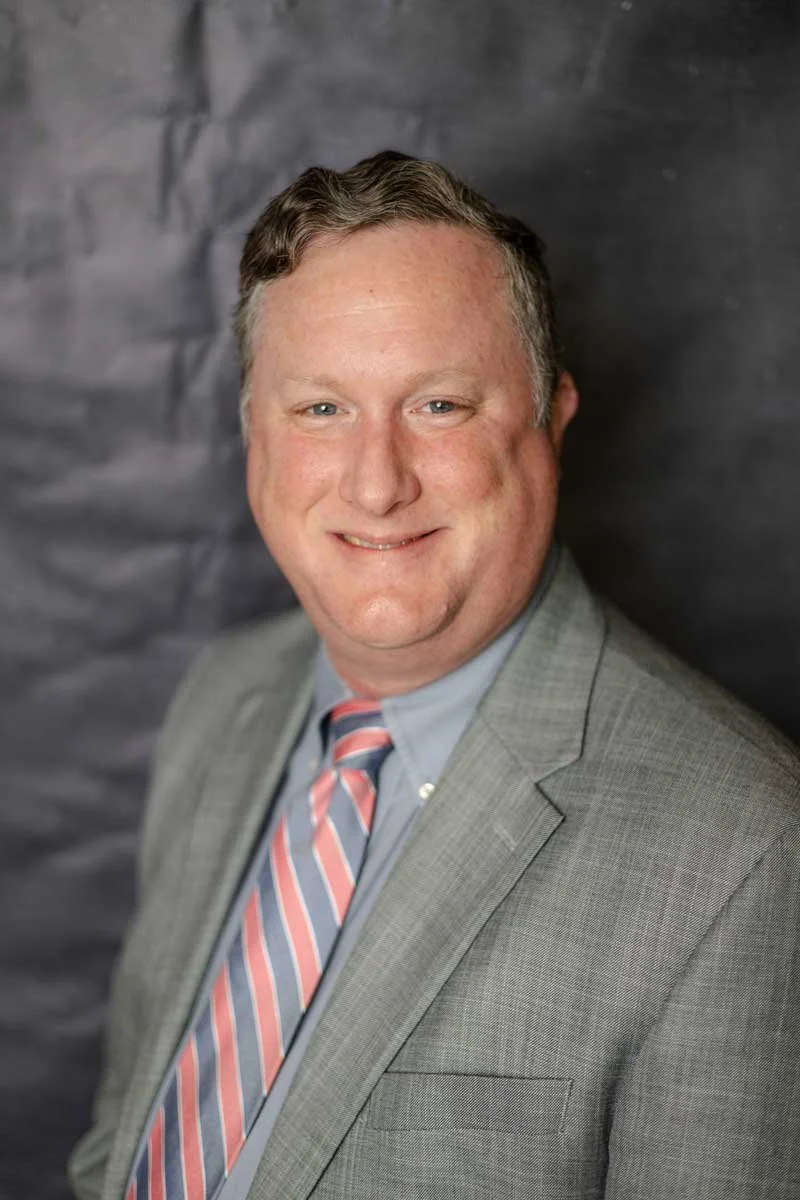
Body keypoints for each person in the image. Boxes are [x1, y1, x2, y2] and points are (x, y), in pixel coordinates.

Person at [69, 151, 800, 1200]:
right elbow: (121, 1148)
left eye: (439, 406)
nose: (376, 483)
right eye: (320, 410)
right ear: (250, 436)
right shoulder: (220, 704)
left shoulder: (744, 850)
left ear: (549, 417)